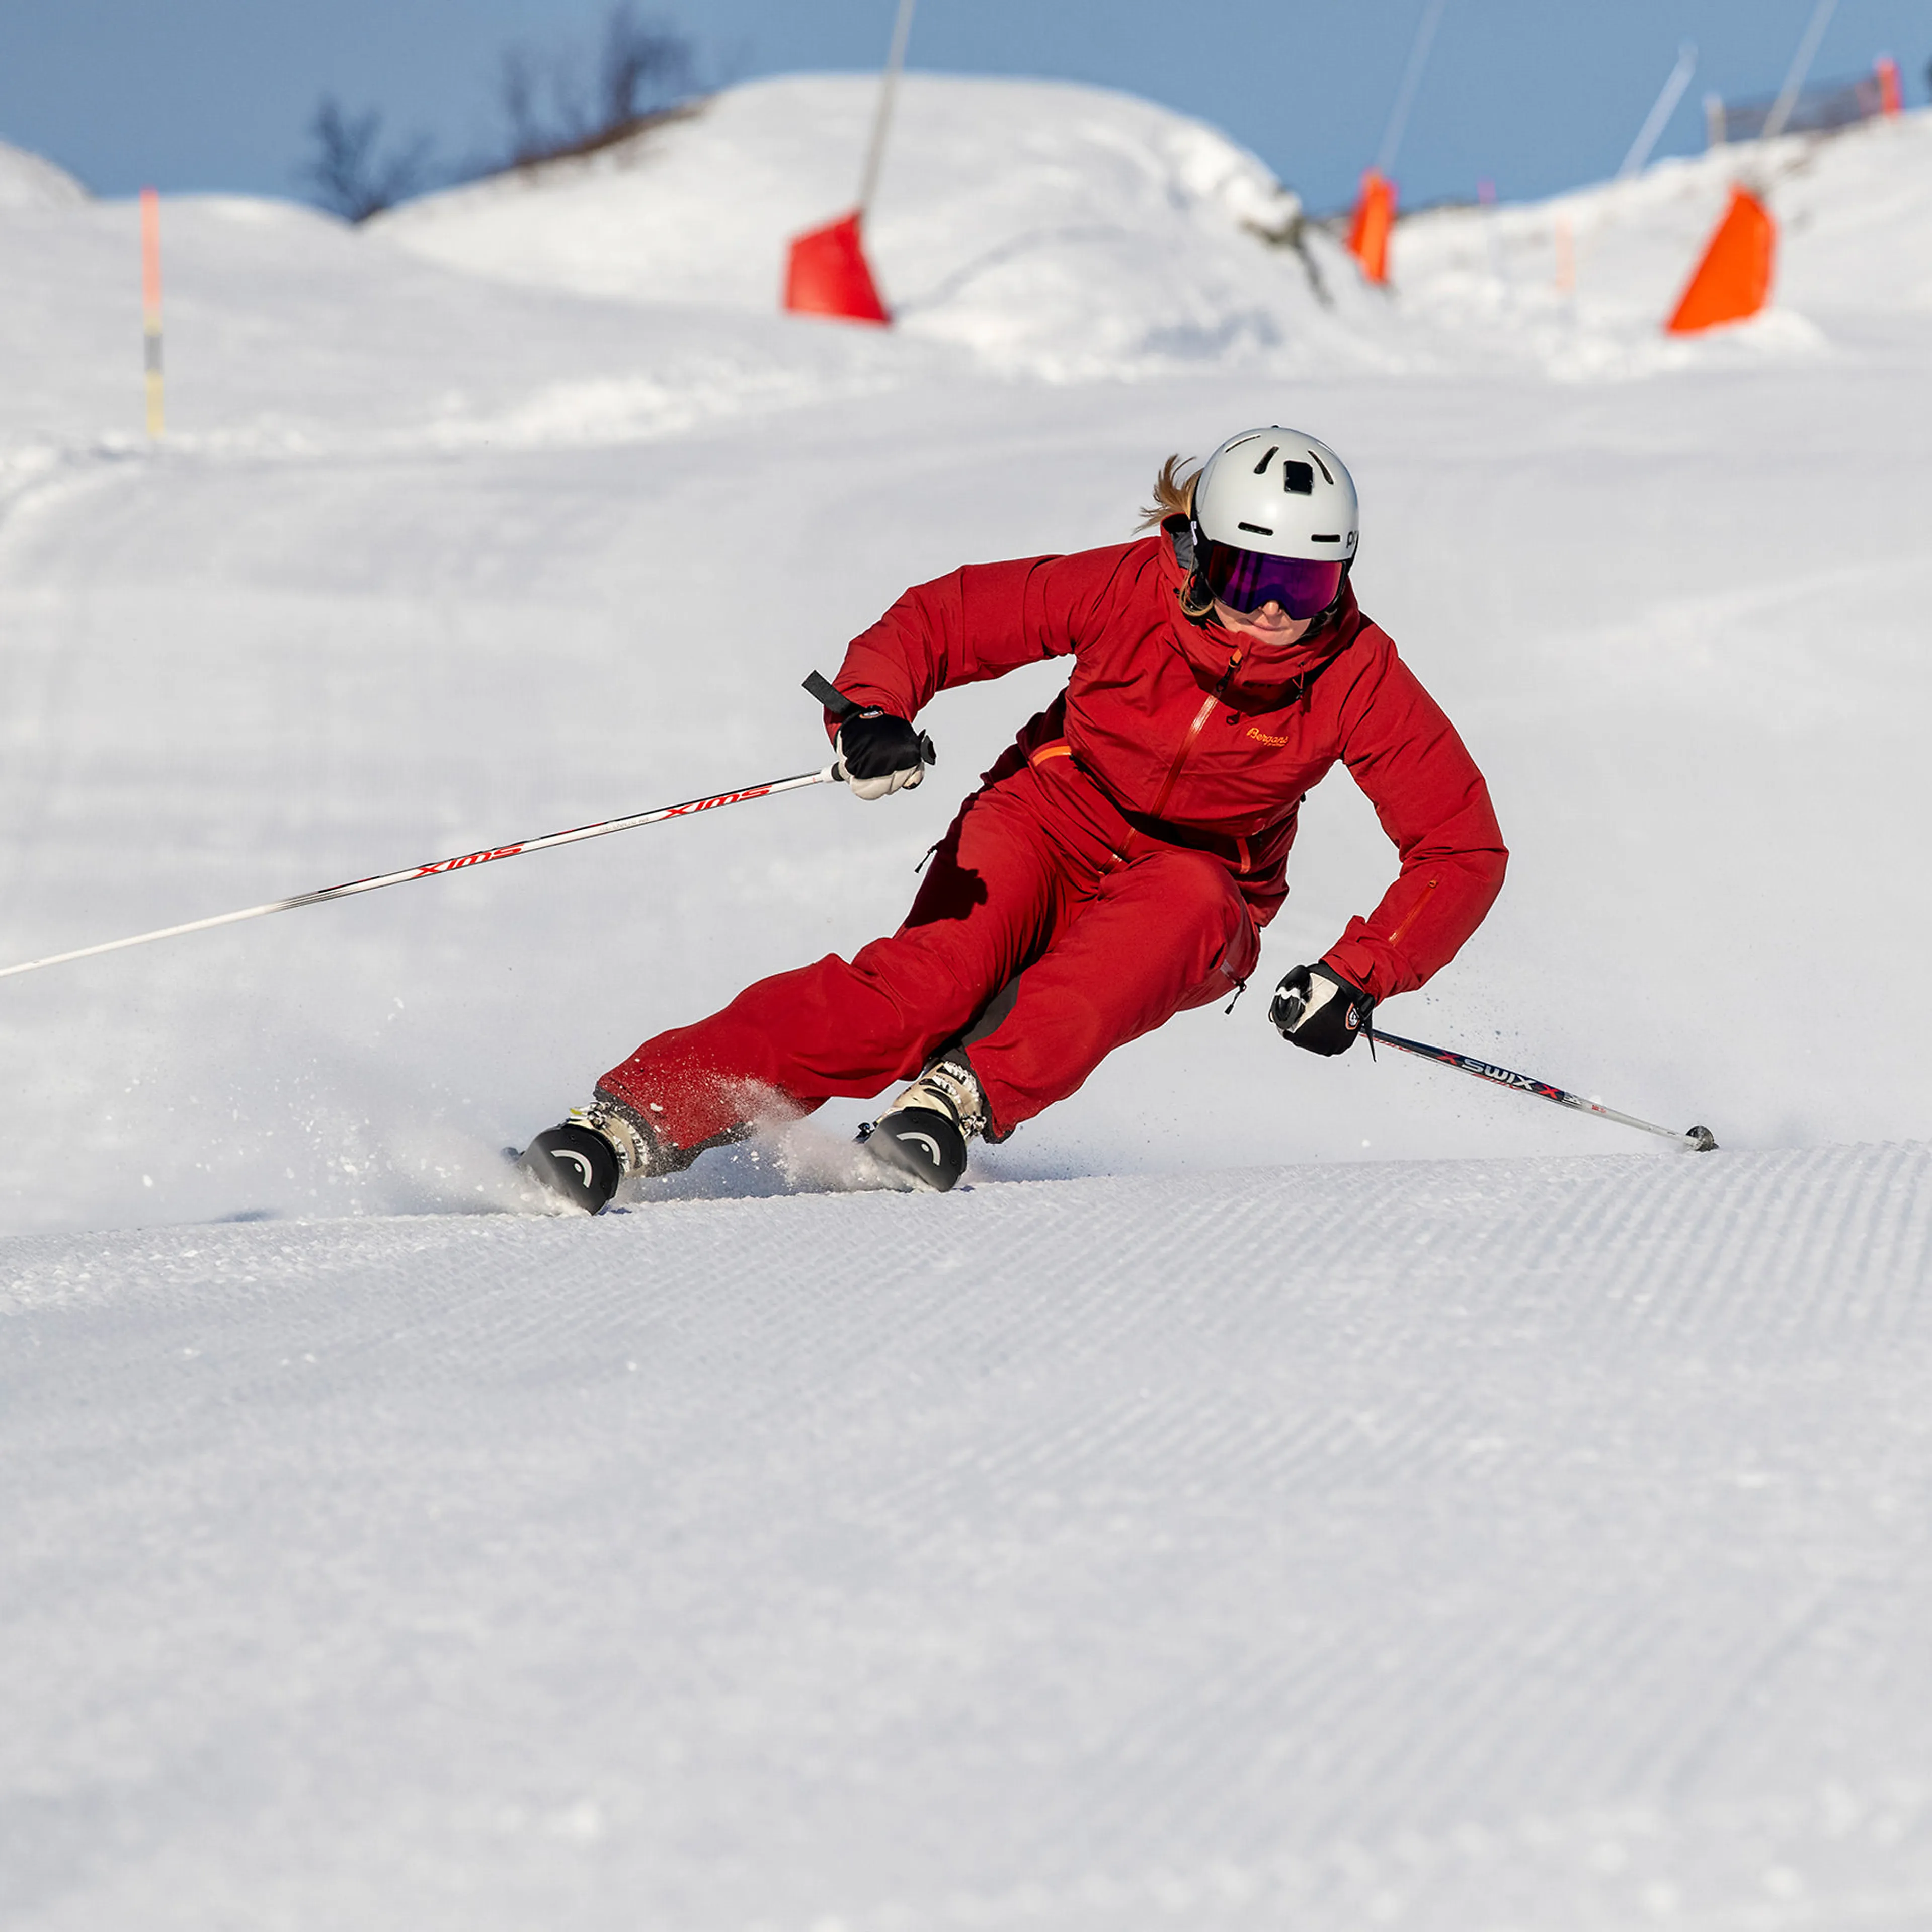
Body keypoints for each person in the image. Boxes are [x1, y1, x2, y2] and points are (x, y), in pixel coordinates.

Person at [518, 426, 1507, 1212]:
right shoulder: (1128, 589)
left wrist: (1358, 973)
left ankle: (958, 1101)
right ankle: (631, 1119)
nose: (1281, 614)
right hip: (1046, 814)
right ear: (1203, 553)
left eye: (1310, 584)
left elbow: (1459, 848)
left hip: (1197, 888)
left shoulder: (1356, 672)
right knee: (924, 988)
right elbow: (947, 618)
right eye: (1258, 578)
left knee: (1187, 897)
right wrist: (873, 710)